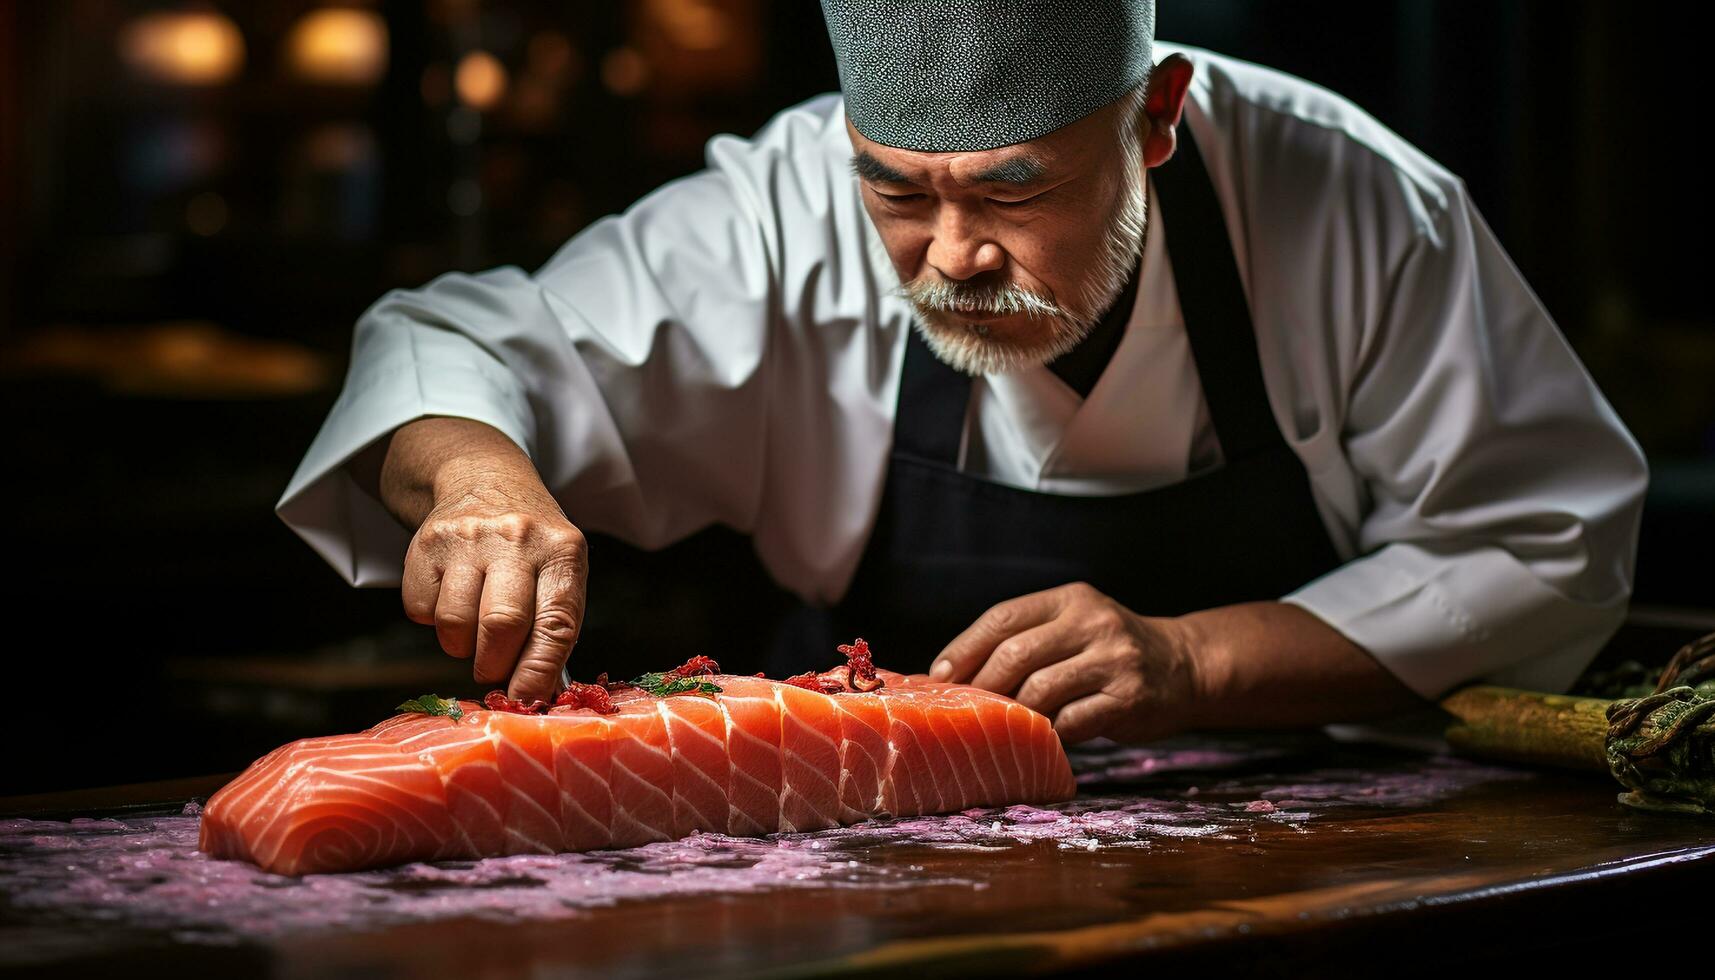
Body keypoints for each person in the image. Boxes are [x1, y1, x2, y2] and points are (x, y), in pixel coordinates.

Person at [279, 1, 1648, 744]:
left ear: (1155, 117)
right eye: (897, 193)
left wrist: (1192, 662)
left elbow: (1545, 536)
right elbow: (452, 343)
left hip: (1322, 848)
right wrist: (472, 475)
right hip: (851, 852)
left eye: (1014, 189)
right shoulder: (777, 206)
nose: (951, 257)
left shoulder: (1349, 199)